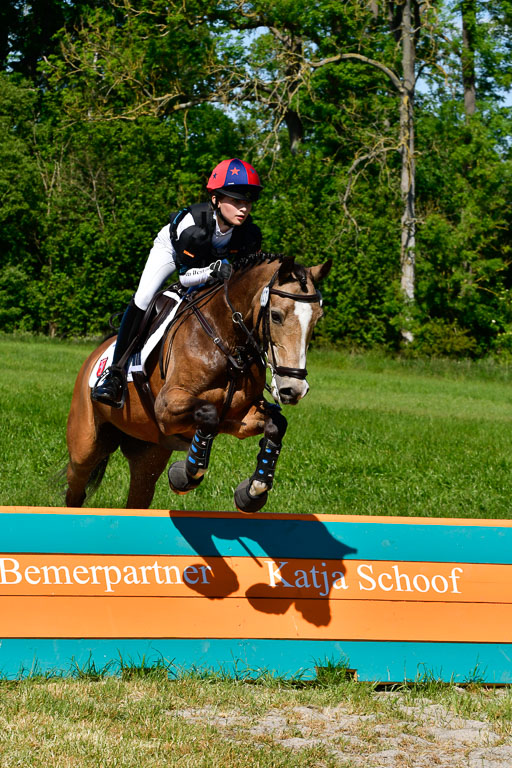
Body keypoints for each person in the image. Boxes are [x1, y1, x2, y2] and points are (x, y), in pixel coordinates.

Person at [91, 158, 263, 408]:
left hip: (211, 260)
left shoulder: (249, 234)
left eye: (247, 201)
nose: (243, 208)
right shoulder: (194, 226)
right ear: (215, 199)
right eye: (236, 201)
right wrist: (213, 270)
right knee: (144, 296)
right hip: (173, 252)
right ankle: (115, 374)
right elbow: (185, 278)